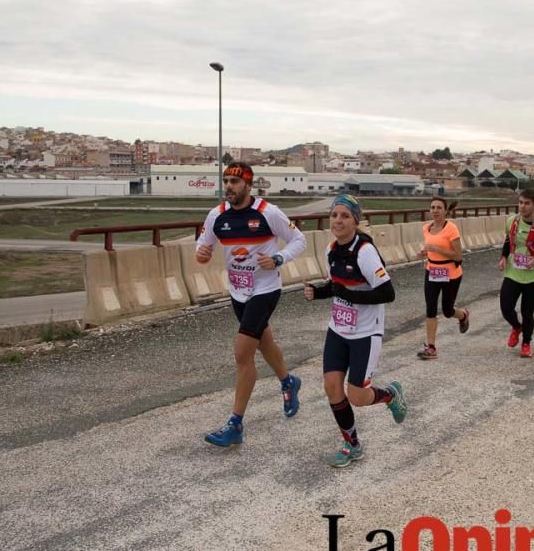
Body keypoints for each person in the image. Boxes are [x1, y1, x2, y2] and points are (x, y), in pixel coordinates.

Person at [195, 161, 306, 447]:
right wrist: (203, 253)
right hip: (238, 292)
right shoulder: (216, 215)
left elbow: (299, 239)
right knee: (263, 341)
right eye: (225, 181)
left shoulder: (268, 212)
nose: (229, 187)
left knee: (243, 353)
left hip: (266, 289)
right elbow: (202, 245)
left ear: (248, 184)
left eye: (235, 182)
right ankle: (288, 381)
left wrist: (279, 258)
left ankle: (235, 424)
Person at [304, 195, 407, 467]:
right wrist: (318, 291)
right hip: (338, 329)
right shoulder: (330, 250)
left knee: (358, 397)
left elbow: (388, 293)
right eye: (334, 214)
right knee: (332, 387)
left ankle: (390, 395)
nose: (338, 220)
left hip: (365, 332)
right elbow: (335, 285)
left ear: (355, 221)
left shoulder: (365, 252)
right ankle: (352, 444)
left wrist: (349, 295)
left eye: (345, 216)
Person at [499, 188, 534, 357]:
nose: (523, 207)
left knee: (527, 312)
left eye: (527, 203)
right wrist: (503, 257)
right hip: (513, 272)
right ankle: (517, 327)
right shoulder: (511, 221)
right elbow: (508, 241)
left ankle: (526, 343)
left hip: (533, 277)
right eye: (521, 202)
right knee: (506, 307)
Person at [417, 196, 469, 360]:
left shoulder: (451, 228)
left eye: (439, 208)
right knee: (430, 308)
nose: (435, 211)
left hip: (451, 273)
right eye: (432, 207)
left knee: (447, 310)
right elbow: (430, 249)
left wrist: (435, 248)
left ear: (445, 211)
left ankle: (463, 315)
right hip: (432, 271)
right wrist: (425, 253)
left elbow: (457, 255)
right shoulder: (426, 228)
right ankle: (431, 347)